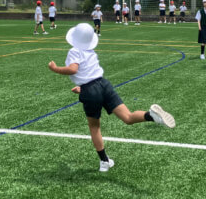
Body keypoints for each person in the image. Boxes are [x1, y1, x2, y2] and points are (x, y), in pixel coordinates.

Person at [48, 23, 175, 172]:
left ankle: (104, 161)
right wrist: (83, 87)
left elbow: (73, 69)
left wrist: (55, 69)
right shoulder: (91, 52)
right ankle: (151, 116)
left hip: (90, 91)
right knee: (127, 117)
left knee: (94, 127)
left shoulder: (74, 51)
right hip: (103, 84)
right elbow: (90, 74)